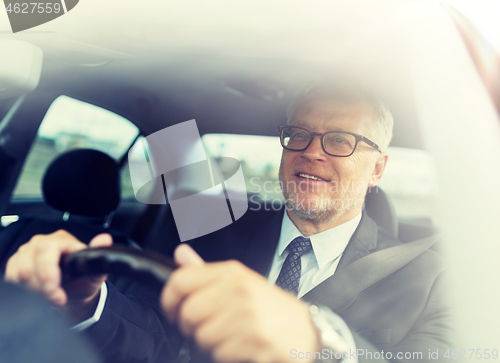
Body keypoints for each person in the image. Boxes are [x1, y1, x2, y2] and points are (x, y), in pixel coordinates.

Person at [3, 83, 453, 363]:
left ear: (377, 169)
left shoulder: (432, 279)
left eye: (340, 140)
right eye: (299, 135)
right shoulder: (211, 232)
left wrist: (325, 347)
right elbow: (154, 339)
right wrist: (87, 303)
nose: (311, 152)